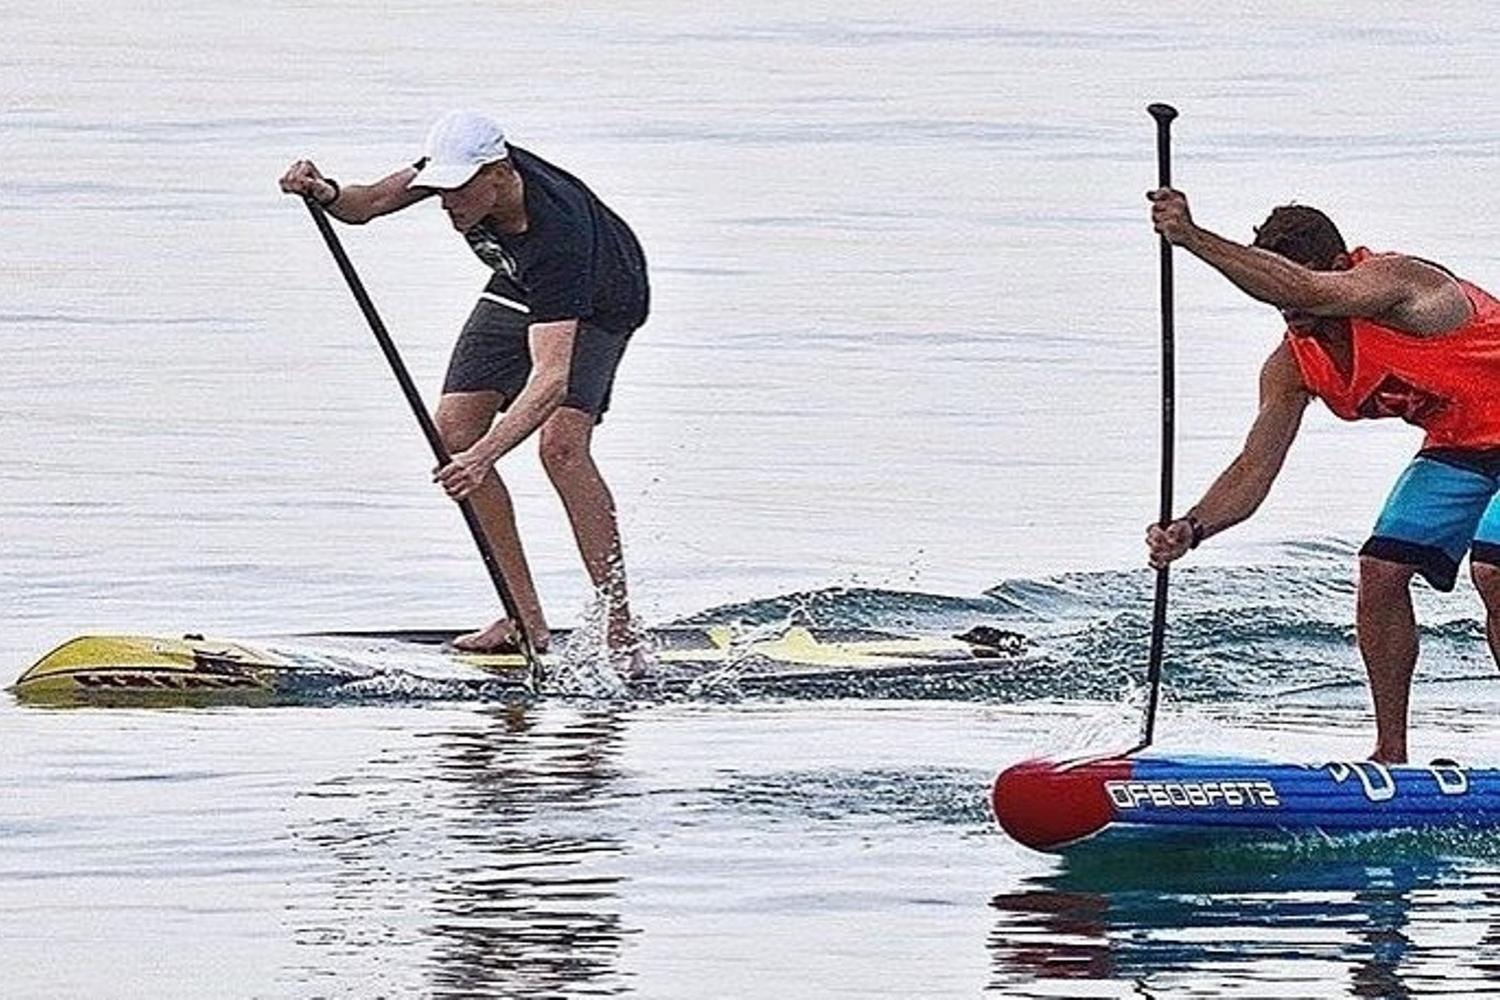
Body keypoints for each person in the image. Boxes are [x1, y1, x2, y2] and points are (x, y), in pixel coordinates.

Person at [1145, 187, 1500, 764]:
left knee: (1494, 568)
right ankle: (1391, 755)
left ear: (1340, 270)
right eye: (1278, 300)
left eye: (1292, 289)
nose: (1291, 312)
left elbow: (1307, 288)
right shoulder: (1293, 365)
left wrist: (1192, 238)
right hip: (1463, 445)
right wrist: (1191, 526)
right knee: (1380, 571)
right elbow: (1253, 468)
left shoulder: (1404, 286)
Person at [279, 110, 649, 660]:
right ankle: (525, 620)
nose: (447, 204)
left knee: (562, 449)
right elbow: (369, 205)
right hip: (517, 283)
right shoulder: (458, 171)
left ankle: (620, 628)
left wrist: (483, 459)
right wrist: (323, 191)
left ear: (499, 175)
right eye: (440, 190)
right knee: (451, 431)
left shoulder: (559, 235)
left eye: (457, 192)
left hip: (600, 298)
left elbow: (550, 382)